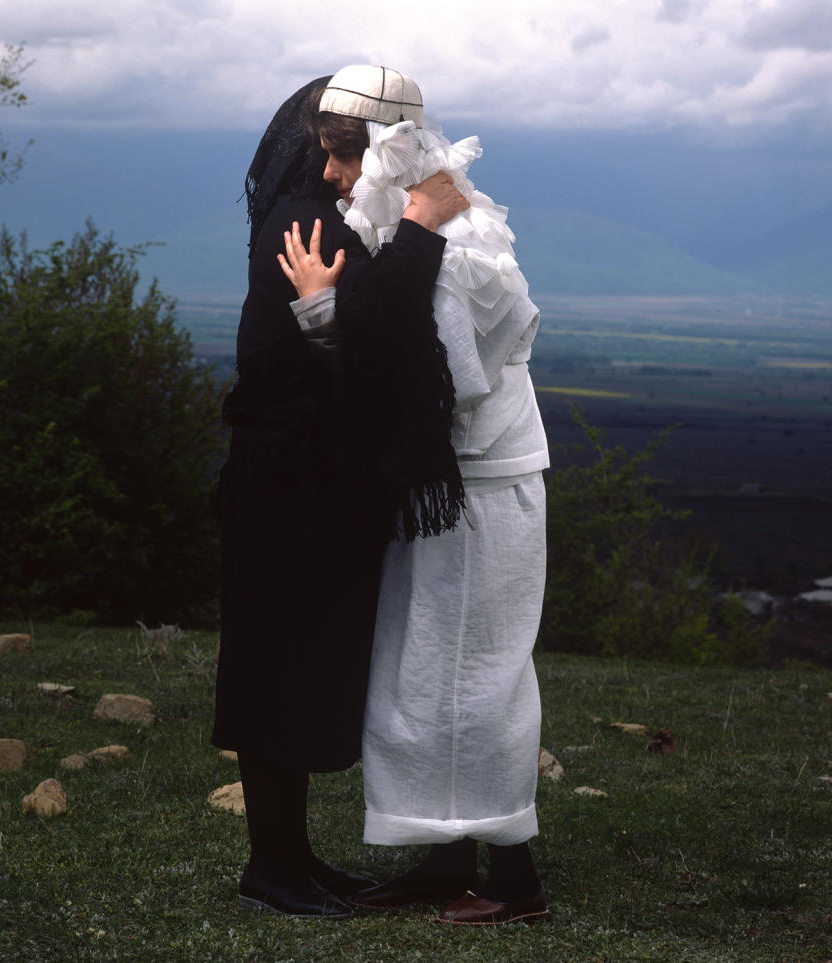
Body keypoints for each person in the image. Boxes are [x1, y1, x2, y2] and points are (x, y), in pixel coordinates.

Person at [280, 64, 550, 926]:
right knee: (425, 672)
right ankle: (446, 858)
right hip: (447, 487)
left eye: (343, 155)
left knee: (477, 676)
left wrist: (325, 315)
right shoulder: (416, 232)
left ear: (388, 151)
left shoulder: (459, 248)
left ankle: (514, 881)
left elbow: (432, 382)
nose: (331, 175)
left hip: (481, 486)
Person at [211, 74, 466, 919]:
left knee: (293, 661)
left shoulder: (309, 216)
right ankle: (273, 867)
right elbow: (380, 330)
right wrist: (424, 230)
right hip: (288, 478)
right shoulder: (307, 224)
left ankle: (291, 857)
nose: (331, 168)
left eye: (345, 149)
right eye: (325, 147)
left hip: (301, 474)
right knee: (277, 663)